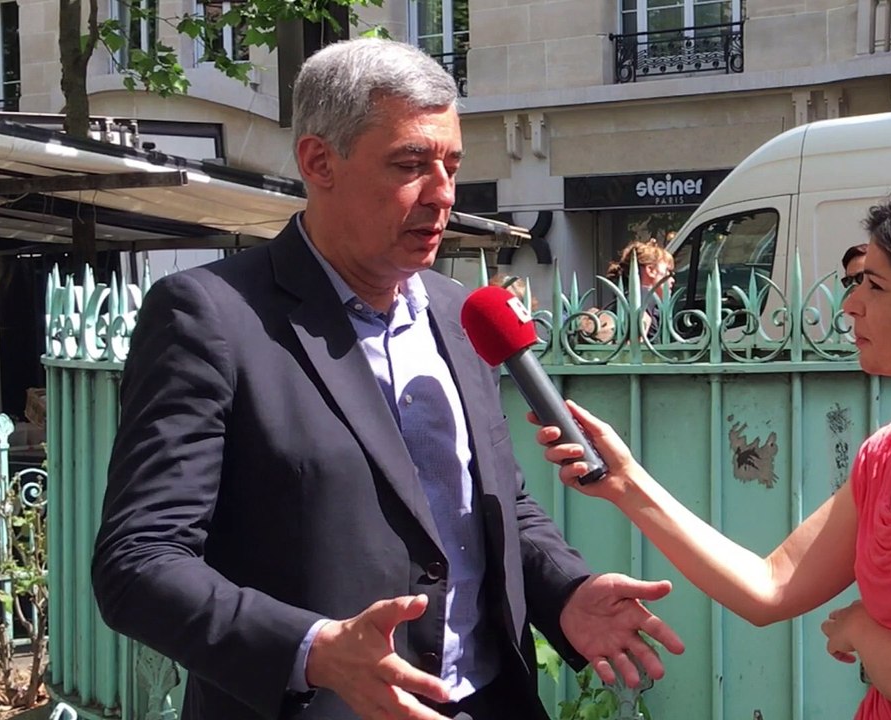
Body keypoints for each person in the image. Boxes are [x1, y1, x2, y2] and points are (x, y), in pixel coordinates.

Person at [91, 39, 682, 720]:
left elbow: (491, 505)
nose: (442, 195)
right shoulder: (212, 317)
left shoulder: (462, 315)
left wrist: (566, 590)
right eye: (410, 165)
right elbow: (138, 562)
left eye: (452, 165)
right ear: (319, 162)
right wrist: (312, 649)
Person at [535, 183, 891, 720]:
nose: (852, 304)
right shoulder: (890, 451)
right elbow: (770, 587)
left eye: (874, 286)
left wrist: (860, 630)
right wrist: (626, 482)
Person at [579, 239, 675, 343]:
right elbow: (640, 322)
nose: (673, 279)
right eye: (668, 271)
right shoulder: (645, 294)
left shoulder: (623, 300)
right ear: (650, 270)